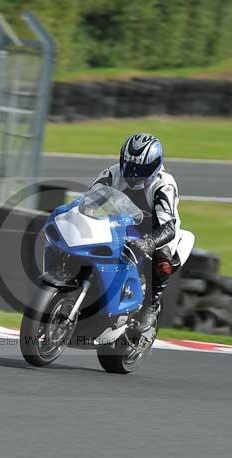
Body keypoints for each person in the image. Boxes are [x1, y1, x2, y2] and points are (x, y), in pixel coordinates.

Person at [90, 132, 183, 334]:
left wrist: (149, 242)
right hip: (119, 224)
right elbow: (89, 199)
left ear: (154, 164)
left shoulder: (163, 184)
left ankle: (152, 302)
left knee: (163, 259)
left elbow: (168, 226)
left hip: (157, 231)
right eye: (130, 165)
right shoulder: (113, 173)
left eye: (140, 168)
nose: (133, 173)